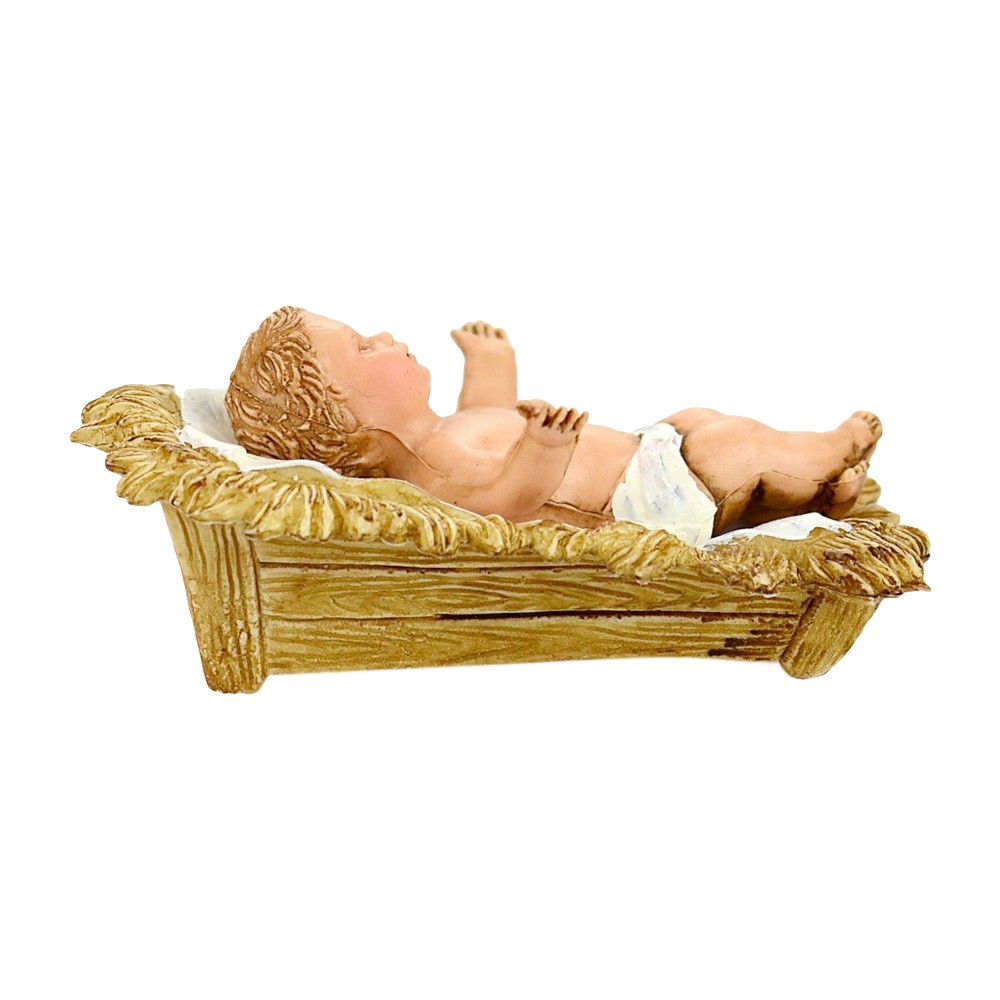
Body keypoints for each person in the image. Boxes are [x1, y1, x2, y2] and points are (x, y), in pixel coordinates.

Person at [225, 306, 881, 543]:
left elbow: (490, 412)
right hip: (641, 501)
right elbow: (505, 502)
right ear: (352, 415)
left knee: (699, 422)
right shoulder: (437, 468)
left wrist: (490, 362)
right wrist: (543, 447)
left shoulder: (447, 433)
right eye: (366, 347)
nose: (387, 335)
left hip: (650, 461)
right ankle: (835, 447)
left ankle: (817, 497)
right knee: (733, 445)